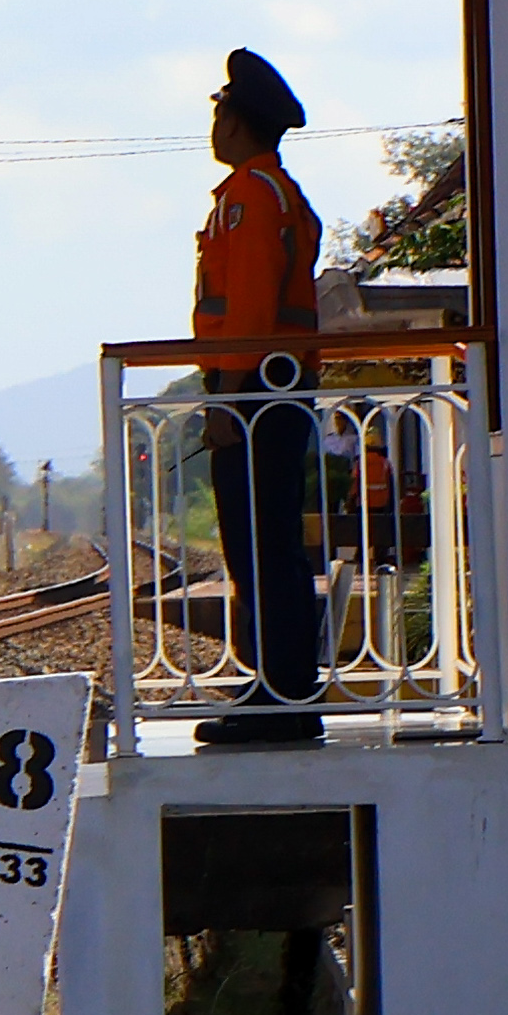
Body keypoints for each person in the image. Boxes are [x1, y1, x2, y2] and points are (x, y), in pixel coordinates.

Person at [193, 49, 323, 747]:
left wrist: (226, 398)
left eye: (217, 112)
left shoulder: (248, 196)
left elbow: (242, 309)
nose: (212, 125)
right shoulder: (278, 193)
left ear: (238, 123)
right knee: (271, 544)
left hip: (255, 392)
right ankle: (285, 689)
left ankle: (276, 696)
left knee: (257, 545)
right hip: (278, 387)